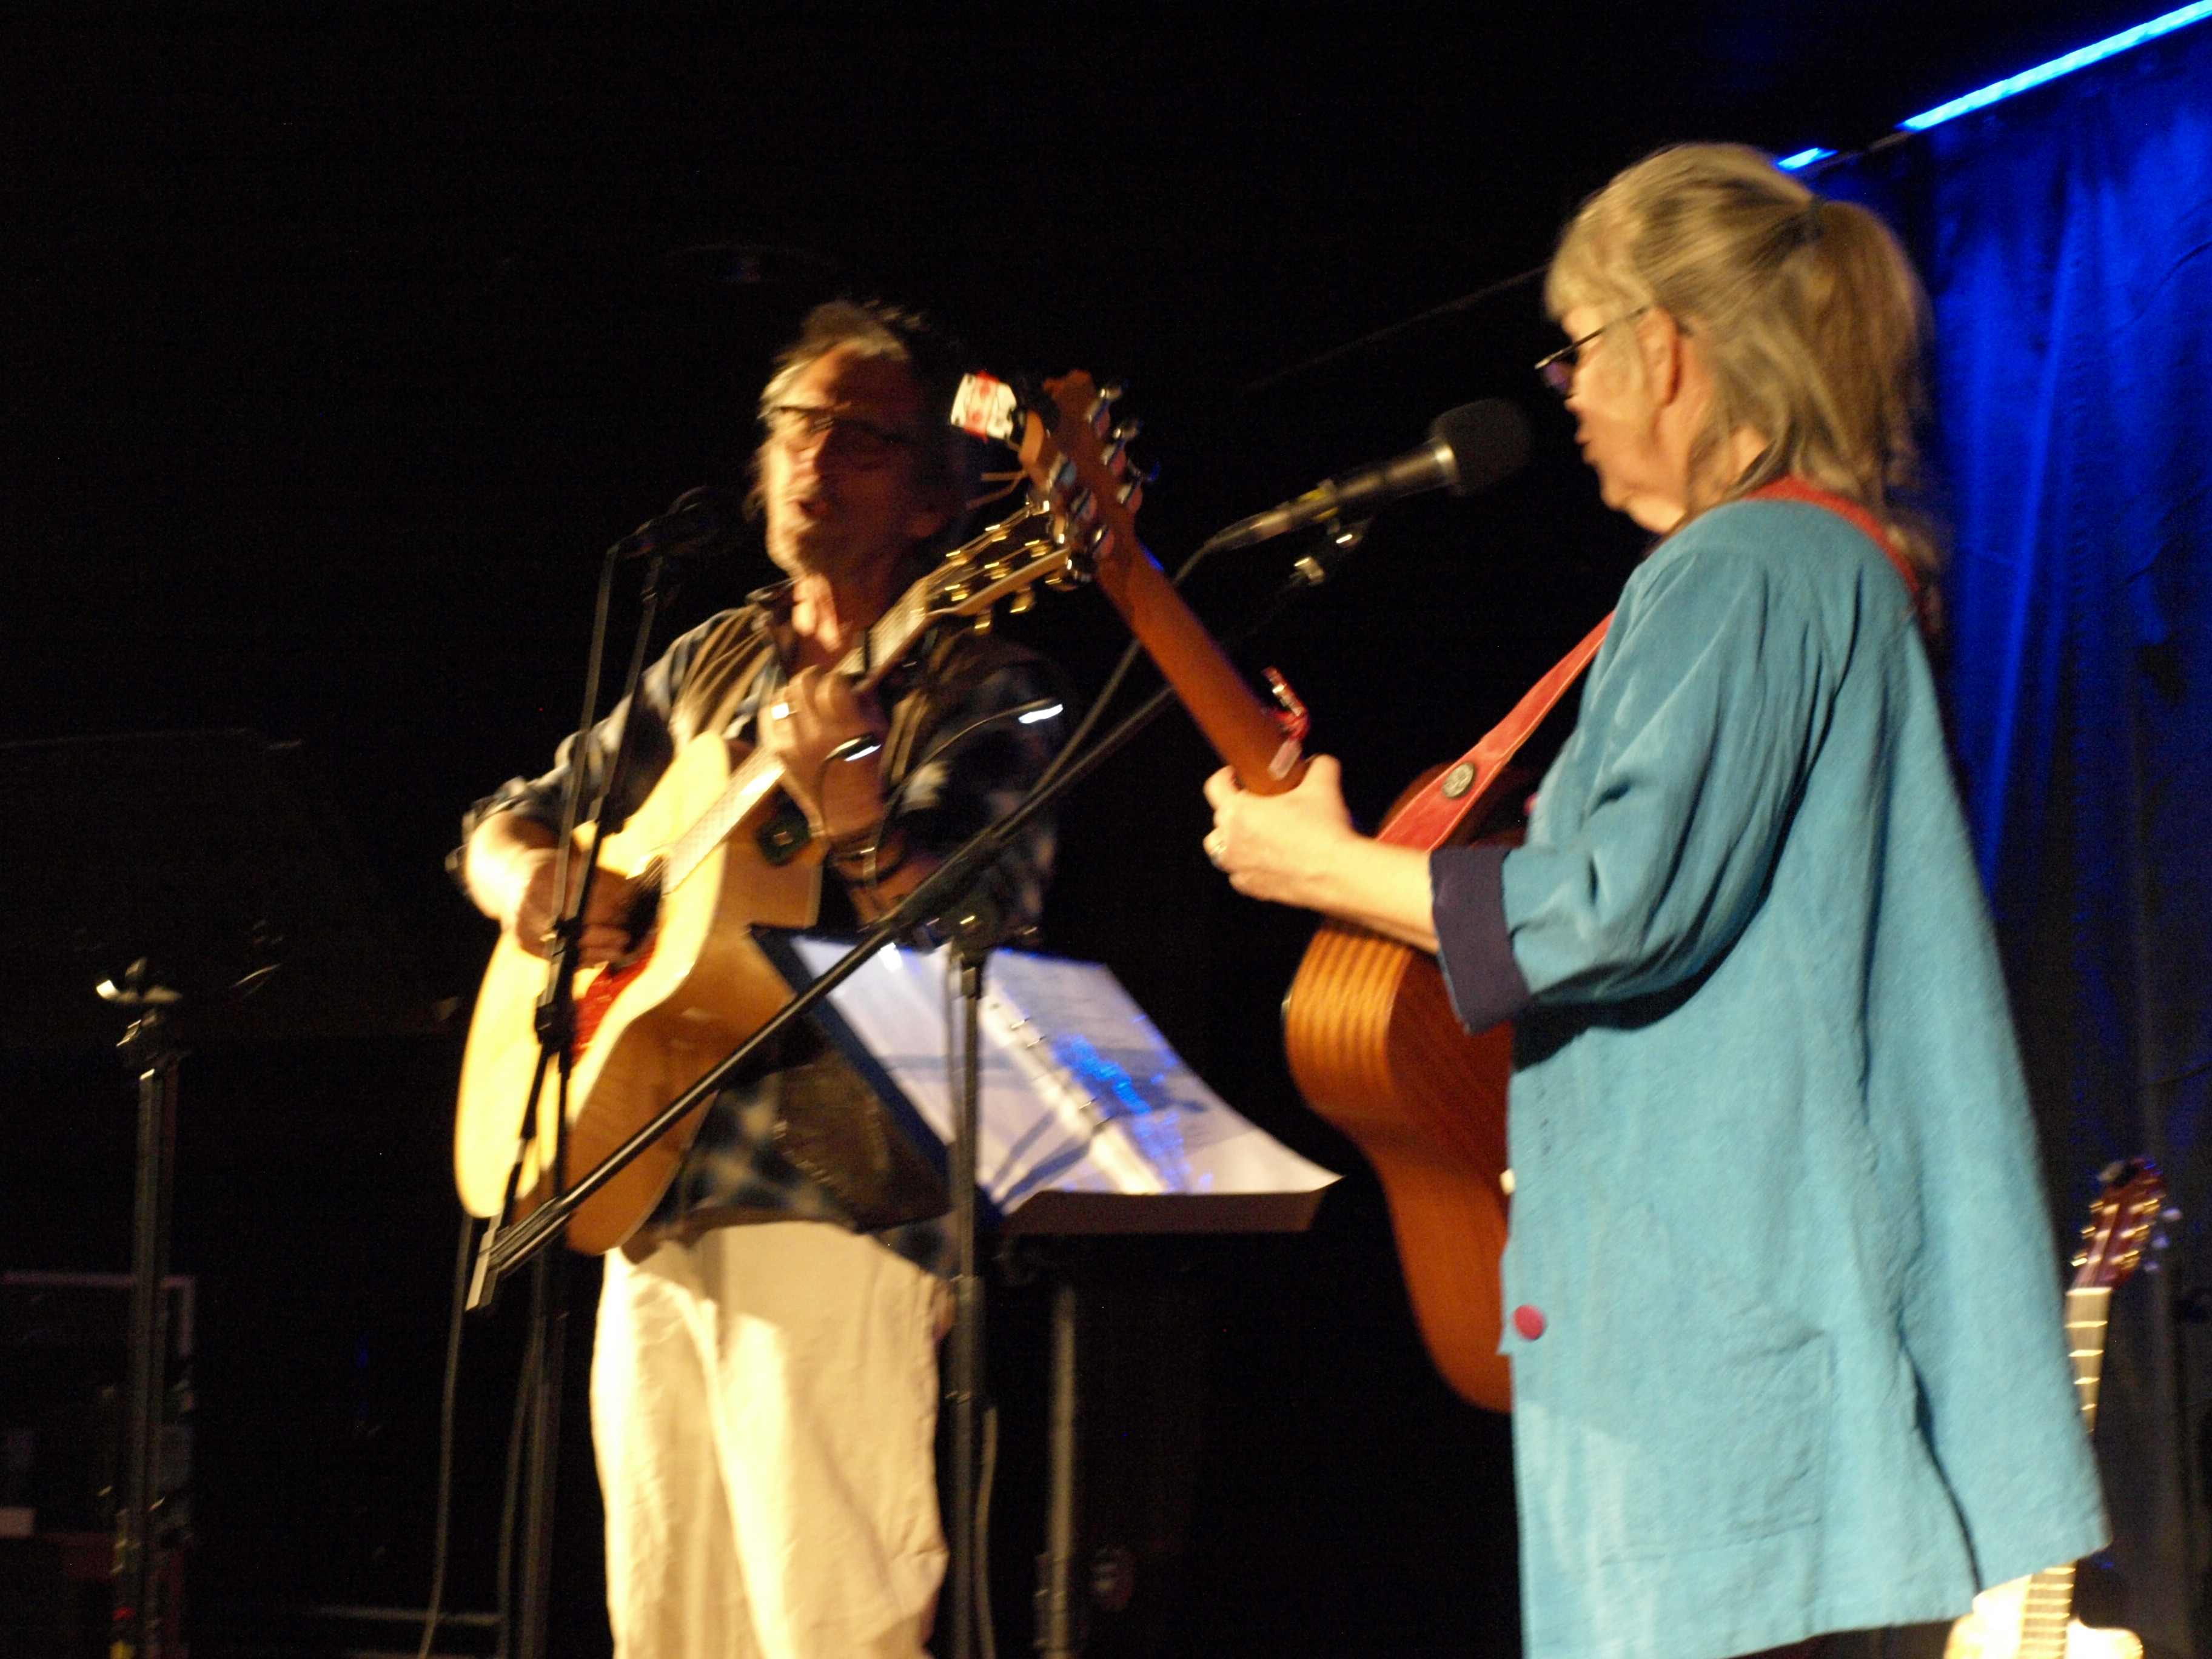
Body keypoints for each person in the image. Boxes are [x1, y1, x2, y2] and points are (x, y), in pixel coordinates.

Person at [1200, 145, 2106, 1659]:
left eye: (1577, 349)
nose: (1564, 394)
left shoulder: (1742, 566)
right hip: (1753, 1319)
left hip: (1727, 1342)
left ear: (1665, 348)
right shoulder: (1818, 569)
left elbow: (1614, 906)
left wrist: (1321, 867)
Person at [459, 300, 1067, 1659]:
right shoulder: (709, 659)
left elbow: (977, 956)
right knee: (662, 1631)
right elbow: (506, 818)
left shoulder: (990, 688)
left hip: (834, 1205)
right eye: (796, 422)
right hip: (648, 1185)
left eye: (862, 440)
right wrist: (533, 882)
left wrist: (860, 821)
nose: (814, 457)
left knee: (828, 1626)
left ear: (933, 505)